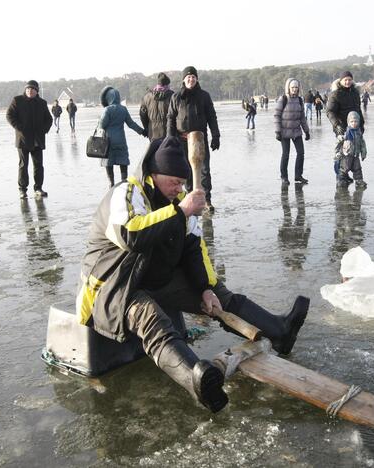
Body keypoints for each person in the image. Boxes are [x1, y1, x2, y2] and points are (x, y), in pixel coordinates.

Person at [75, 136, 310, 413]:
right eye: (174, 182)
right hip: (112, 286)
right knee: (151, 318)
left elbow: (193, 248)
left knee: (218, 296)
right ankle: (197, 382)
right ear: (155, 174)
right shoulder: (128, 192)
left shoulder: (178, 204)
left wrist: (204, 288)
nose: (179, 189)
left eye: (182, 183)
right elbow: (132, 234)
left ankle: (280, 331)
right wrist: (181, 211)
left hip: (153, 278)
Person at [166, 66, 220, 212]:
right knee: (187, 171)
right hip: (182, 140)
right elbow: (171, 119)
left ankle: (206, 200)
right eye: (188, 77)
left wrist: (216, 136)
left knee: (204, 171)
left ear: (197, 79)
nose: (191, 79)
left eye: (193, 77)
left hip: (200, 139)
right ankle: (190, 197)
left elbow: (212, 117)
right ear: (184, 80)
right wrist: (170, 139)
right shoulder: (176, 97)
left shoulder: (204, 96)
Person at [6, 80, 53, 199]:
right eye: (28, 89)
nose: (30, 91)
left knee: (38, 165)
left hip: (37, 140)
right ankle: (22, 190)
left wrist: (44, 130)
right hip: (23, 140)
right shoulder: (17, 100)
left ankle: (38, 188)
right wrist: (19, 128)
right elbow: (9, 115)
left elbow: (48, 119)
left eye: (32, 89)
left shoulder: (42, 103)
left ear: (36, 91)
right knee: (23, 165)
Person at [99, 86, 146, 187]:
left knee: (108, 161)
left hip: (108, 140)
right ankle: (124, 181)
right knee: (123, 159)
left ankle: (111, 183)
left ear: (108, 98)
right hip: (120, 139)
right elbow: (131, 124)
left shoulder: (107, 110)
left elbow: (102, 125)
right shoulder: (123, 109)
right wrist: (142, 132)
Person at [327, 71, 365, 178]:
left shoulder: (355, 93)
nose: (347, 82)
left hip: (355, 127)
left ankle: (351, 174)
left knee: (353, 152)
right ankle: (340, 175)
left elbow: (358, 110)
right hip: (342, 127)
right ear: (341, 81)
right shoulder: (335, 94)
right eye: (345, 80)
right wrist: (336, 125)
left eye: (349, 79)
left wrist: (362, 125)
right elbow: (330, 111)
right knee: (342, 152)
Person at [274, 78, 310, 185]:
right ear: (288, 88)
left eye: (296, 87)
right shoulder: (283, 99)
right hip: (284, 132)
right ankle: (284, 177)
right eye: (292, 87)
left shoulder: (300, 100)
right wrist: (277, 131)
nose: (294, 89)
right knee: (286, 154)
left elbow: (302, 117)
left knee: (301, 153)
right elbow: (277, 115)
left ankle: (298, 175)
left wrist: (306, 131)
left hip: (296, 132)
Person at [336, 111, 367, 187]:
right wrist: (337, 152)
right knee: (344, 168)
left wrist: (363, 153)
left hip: (356, 154)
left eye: (356, 121)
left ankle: (359, 180)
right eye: (352, 121)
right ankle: (341, 180)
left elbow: (362, 144)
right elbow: (338, 143)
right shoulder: (346, 133)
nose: (354, 123)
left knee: (357, 168)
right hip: (347, 155)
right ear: (348, 122)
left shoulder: (359, 132)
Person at [140, 72, 173, 141]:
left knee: (154, 151)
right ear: (168, 84)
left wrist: (147, 128)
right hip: (168, 134)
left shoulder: (146, 97)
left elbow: (143, 116)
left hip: (152, 134)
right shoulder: (172, 96)